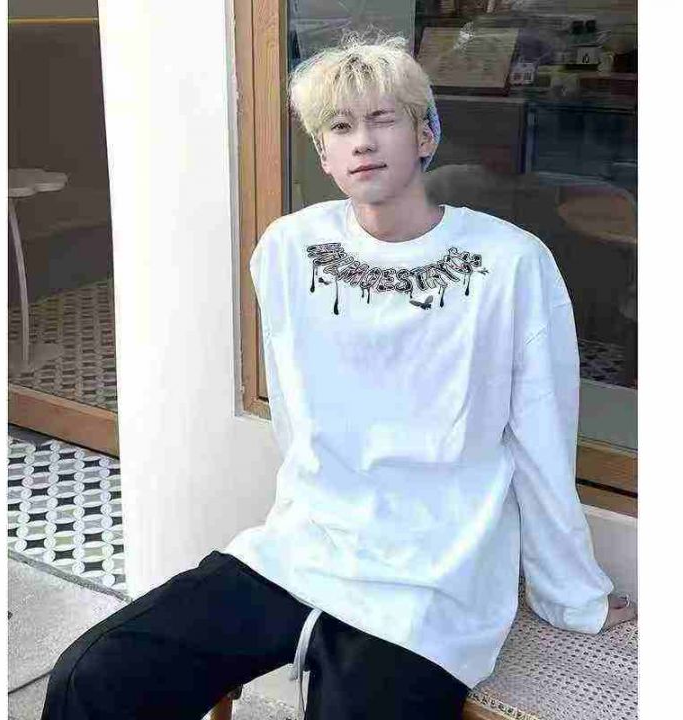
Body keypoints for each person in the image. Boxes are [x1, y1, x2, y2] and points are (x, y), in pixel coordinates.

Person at [41, 32, 636, 720]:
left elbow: (541, 440)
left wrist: (572, 595)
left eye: (383, 119)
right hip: (305, 546)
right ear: (323, 154)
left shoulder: (511, 263)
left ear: (426, 134)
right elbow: (298, 416)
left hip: (434, 574)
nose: (363, 142)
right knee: (93, 675)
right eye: (340, 127)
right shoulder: (289, 249)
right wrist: (312, 511)